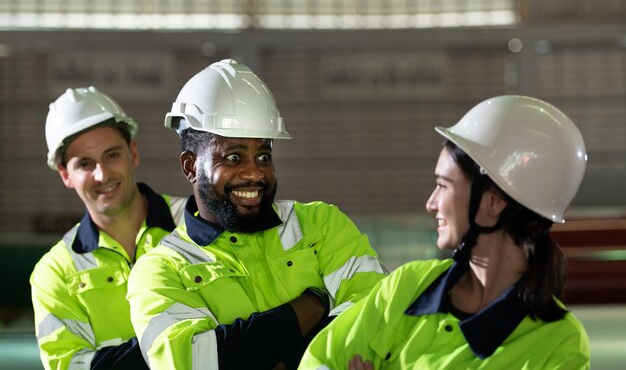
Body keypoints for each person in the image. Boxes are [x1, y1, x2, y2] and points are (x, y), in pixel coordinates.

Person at [126, 59, 387, 370]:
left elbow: (375, 315)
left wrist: (273, 359)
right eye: (233, 157)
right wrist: (314, 303)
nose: (254, 173)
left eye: (263, 155)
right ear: (190, 166)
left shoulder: (321, 224)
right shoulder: (159, 272)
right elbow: (194, 363)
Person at [299, 95, 591, 369]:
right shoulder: (408, 286)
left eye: (443, 185)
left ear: (493, 201)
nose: (431, 204)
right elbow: (319, 359)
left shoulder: (559, 344)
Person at [30, 86, 186, 370]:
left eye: (112, 155)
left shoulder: (195, 223)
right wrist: (186, 347)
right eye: (85, 164)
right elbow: (70, 366)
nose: (102, 175)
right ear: (66, 175)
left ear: (133, 153)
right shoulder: (54, 273)